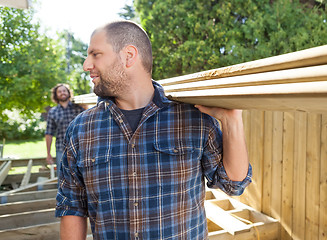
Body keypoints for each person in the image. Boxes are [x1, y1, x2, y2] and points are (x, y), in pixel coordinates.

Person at [55, 20, 252, 240]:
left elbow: (233, 185)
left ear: (128, 55)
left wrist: (232, 119)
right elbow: (72, 205)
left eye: (95, 54)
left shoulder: (194, 118)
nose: (86, 64)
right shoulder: (81, 130)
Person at [45, 83, 85, 175]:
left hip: (79, 148)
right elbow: (49, 133)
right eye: (59, 91)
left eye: (64, 90)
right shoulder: (53, 112)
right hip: (61, 149)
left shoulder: (79, 109)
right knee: (63, 176)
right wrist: (48, 153)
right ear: (56, 95)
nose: (62, 93)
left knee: (81, 175)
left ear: (68, 93)